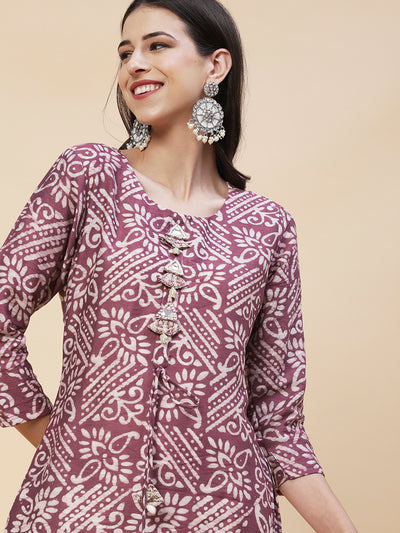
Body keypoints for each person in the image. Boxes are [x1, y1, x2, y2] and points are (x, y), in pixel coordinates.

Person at [0, 0, 358, 531]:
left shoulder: (267, 227)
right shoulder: (89, 178)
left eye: (158, 46)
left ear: (216, 65)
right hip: (81, 513)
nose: (135, 64)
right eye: (125, 52)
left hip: (228, 513)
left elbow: (278, 425)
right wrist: (64, 443)